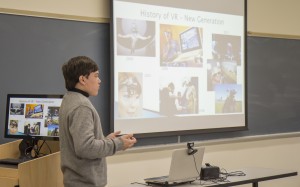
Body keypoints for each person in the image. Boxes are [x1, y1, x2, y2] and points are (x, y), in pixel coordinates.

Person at [59, 56, 137, 187]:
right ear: (82, 79)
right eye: (96, 76)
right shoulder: (82, 106)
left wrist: (106, 140)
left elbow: (79, 143)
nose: (99, 81)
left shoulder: (69, 99)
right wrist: (118, 143)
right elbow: (85, 148)